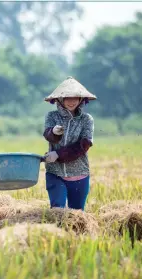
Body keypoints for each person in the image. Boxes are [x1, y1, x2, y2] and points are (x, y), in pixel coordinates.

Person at [42, 76, 96, 211]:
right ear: (60, 99)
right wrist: (53, 132)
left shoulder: (86, 120)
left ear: (81, 99)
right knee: (57, 210)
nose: (71, 101)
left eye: (75, 98)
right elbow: (48, 136)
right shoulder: (52, 116)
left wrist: (58, 154)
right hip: (55, 172)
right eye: (67, 97)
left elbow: (84, 146)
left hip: (79, 174)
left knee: (76, 216)